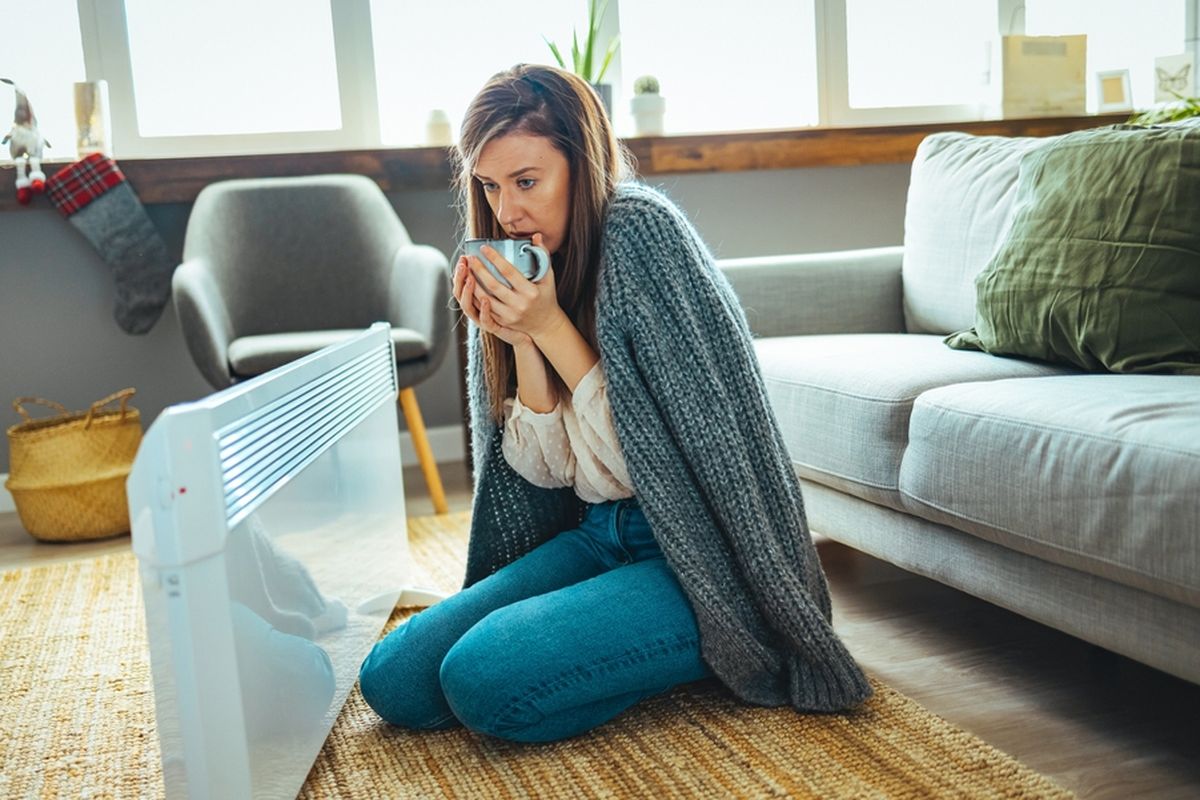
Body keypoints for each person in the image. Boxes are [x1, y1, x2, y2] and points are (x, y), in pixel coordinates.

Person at [357, 64, 871, 744]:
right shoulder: (529, 261)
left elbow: (660, 467)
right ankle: (608, 637)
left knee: (482, 680)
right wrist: (520, 340)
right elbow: (550, 475)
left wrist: (549, 329)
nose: (507, 211)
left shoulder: (641, 234)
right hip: (599, 535)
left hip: (698, 554)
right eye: (489, 185)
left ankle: (706, 649)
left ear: (581, 161)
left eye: (527, 181)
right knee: (394, 677)